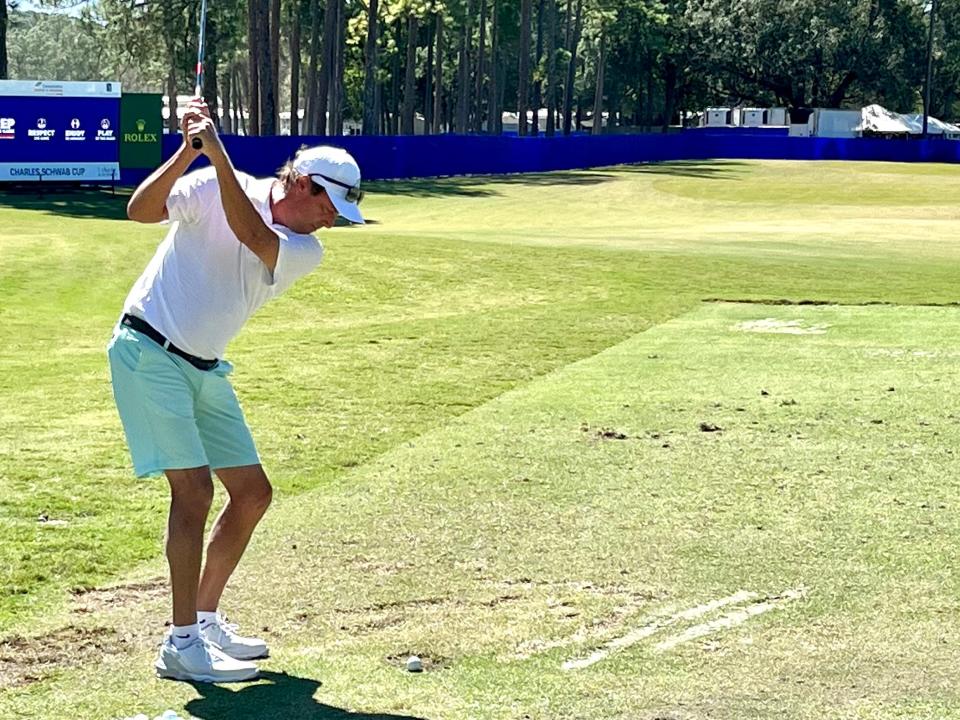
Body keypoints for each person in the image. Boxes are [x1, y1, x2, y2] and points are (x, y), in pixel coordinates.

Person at [107, 98, 364, 683]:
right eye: (332, 206)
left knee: (251, 493)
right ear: (302, 183)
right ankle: (180, 644)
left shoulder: (306, 250)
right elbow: (139, 210)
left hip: (204, 367)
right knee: (194, 492)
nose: (332, 221)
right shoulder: (207, 183)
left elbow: (250, 232)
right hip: (147, 348)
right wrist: (189, 151)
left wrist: (217, 151)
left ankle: (204, 617)